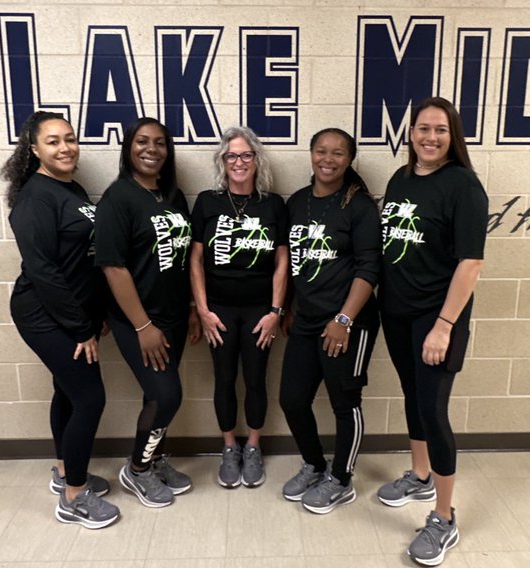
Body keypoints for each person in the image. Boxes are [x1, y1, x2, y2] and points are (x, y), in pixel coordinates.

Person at [375, 97, 487, 567]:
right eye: (423, 128)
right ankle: (420, 475)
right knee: (411, 393)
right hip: (397, 311)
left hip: (437, 317)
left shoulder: (464, 187)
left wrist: (443, 326)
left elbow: (471, 262)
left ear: (453, 136)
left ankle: (444, 516)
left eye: (441, 130)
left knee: (433, 408)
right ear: (411, 132)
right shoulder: (400, 179)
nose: (430, 137)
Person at [4, 111, 118, 529]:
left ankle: (64, 471)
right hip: (43, 312)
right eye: (53, 141)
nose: (65, 147)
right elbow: (44, 272)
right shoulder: (35, 198)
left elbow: (85, 260)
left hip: (72, 310)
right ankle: (74, 496)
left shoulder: (73, 189)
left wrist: (96, 312)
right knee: (90, 398)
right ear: (33, 149)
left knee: (69, 393)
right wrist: (80, 327)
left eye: (69, 139)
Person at [94, 117, 200, 508]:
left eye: (160, 142)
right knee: (167, 394)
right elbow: (113, 267)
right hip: (137, 321)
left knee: (156, 400)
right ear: (128, 147)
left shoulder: (173, 196)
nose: (151, 149)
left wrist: (190, 307)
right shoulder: (117, 198)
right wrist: (143, 326)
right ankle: (137, 470)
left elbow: (187, 259)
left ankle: (154, 458)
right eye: (142, 141)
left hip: (172, 316)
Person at [278, 128, 381, 514]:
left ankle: (341, 478)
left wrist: (344, 319)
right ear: (310, 154)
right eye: (321, 151)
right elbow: (291, 264)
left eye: (338, 153)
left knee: (344, 402)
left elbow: (370, 269)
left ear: (349, 160)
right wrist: (289, 307)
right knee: (292, 399)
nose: (328, 158)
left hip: (349, 322)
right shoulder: (298, 201)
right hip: (307, 318)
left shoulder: (359, 206)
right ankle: (315, 465)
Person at [188, 126, 288, 488]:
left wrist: (276, 311)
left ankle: (254, 446)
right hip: (219, 310)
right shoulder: (207, 201)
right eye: (232, 155)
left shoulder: (273, 204)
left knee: (257, 378)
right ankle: (230, 446)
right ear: (222, 161)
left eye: (247, 155)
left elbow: (282, 262)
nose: (239, 162)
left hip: (261, 309)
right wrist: (201, 309)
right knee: (225, 378)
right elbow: (195, 260)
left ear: (256, 160)